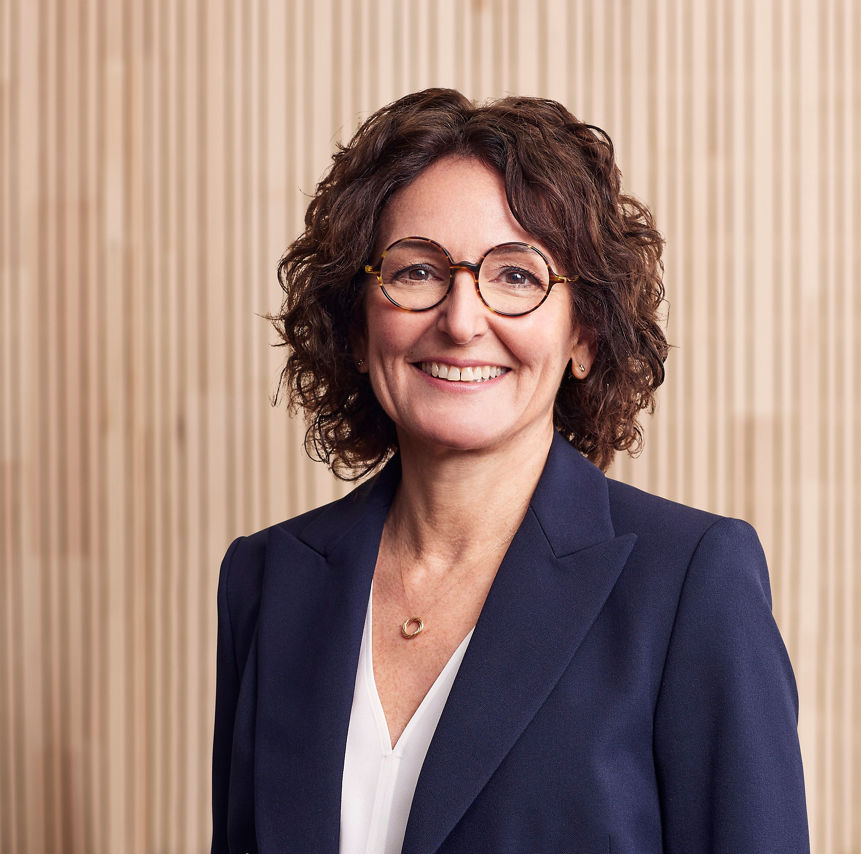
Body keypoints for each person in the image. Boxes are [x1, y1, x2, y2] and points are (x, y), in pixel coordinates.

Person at [211, 88, 808, 854]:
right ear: (357, 325)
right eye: (417, 271)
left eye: (518, 277)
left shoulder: (691, 584)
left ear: (584, 335)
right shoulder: (267, 581)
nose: (462, 321)